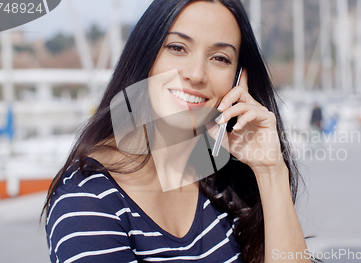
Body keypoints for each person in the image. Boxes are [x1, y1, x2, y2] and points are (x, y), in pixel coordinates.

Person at [42, 0, 315, 262]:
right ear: (145, 55)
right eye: (177, 47)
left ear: (238, 79)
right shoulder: (88, 201)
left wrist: (271, 171)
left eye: (220, 58)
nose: (196, 74)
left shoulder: (221, 180)